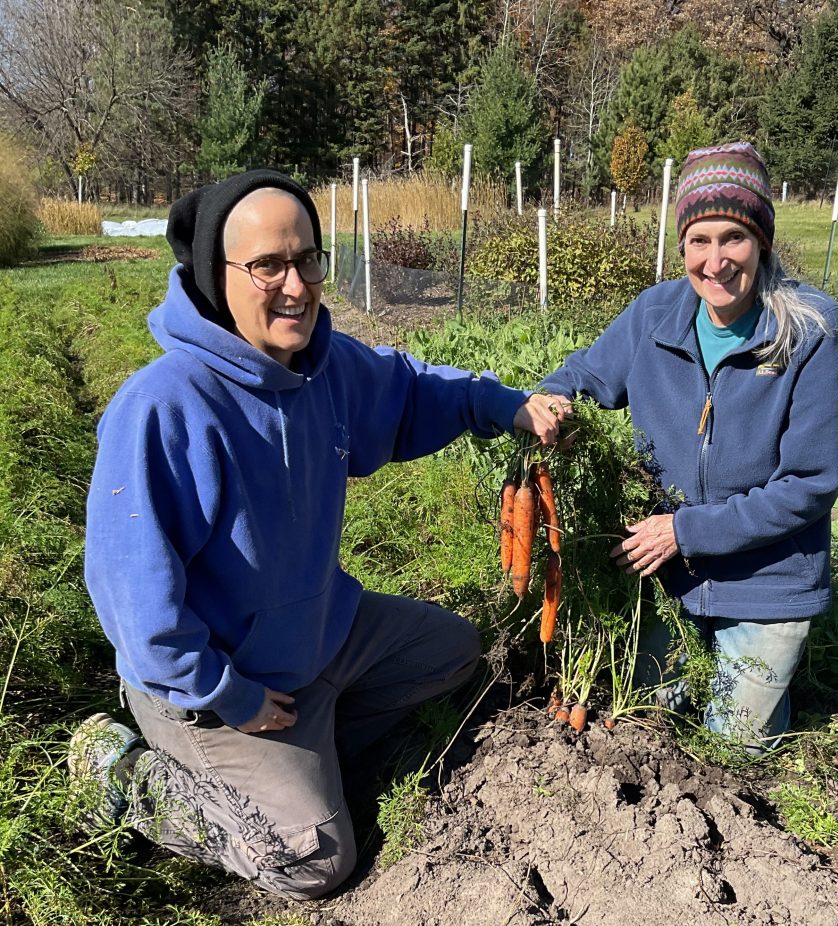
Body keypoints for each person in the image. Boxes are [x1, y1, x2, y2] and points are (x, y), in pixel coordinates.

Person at [70, 169, 565, 900]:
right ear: (216, 274)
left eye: (307, 259)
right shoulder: (163, 409)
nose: (296, 286)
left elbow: (412, 389)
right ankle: (122, 772)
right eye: (268, 265)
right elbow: (135, 604)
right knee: (314, 861)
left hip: (323, 634)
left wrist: (506, 405)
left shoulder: (322, 371)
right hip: (216, 680)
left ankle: (308, 753)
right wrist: (228, 695)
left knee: (457, 653)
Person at [538, 142, 838, 752]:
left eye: (732, 237)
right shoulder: (655, 313)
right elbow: (581, 378)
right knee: (648, 724)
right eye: (698, 240)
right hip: (665, 577)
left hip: (768, 578)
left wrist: (683, 531)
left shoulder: (810, 328)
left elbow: (809, 484)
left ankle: (767, 673)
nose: (715, 261)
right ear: (680, 244)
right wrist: (552, 406)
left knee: (735, 747)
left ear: (761, 240)